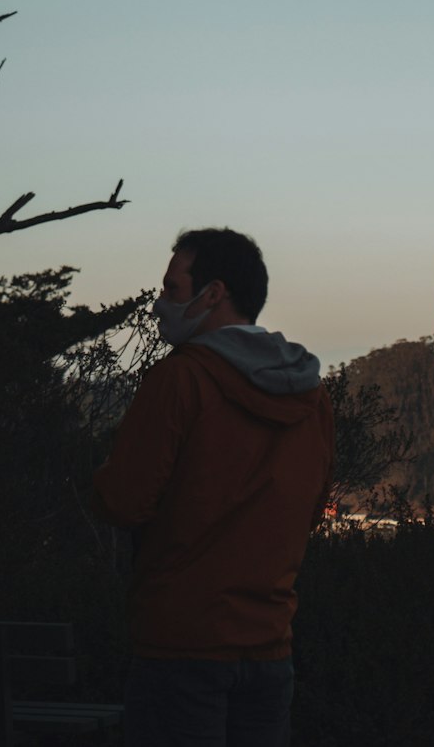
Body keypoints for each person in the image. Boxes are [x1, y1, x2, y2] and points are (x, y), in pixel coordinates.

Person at [93, 227, 334, 747]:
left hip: (181, 647)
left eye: (172, 289)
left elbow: (123, 500)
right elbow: (311, 509)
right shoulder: (312, 398)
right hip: (271, 647)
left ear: (214, 293)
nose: (159, 305)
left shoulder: (179, 380)